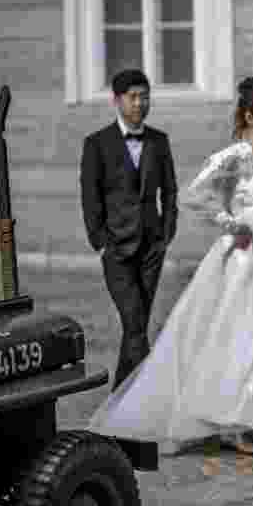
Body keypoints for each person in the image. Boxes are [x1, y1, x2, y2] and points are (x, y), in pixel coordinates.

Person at [89, 76, 253, 458]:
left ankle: (234, 423)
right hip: (244, 258)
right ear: (248, 116)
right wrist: (229, 222)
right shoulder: (232, 157)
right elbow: (195, 196)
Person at [80, 69, 178, 389]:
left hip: (152, 248)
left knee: (135, 327)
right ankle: (150, 391)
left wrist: (166, 235)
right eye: (133, 97)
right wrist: (100, 242)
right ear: (117, 100)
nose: (140, 103)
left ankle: (121, 399)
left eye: (145, 96)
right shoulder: (97, 144)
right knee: (135, 323)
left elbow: (171, 191)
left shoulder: (159, 141)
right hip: (116, 251)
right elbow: (90, 196)